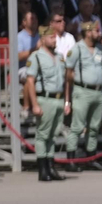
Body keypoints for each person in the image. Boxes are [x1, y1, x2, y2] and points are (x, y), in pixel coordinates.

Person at [63, 21, 102, 170]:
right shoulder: (77, 48)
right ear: (88, 32)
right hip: (82, 90)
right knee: (77, 127)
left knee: (94, 127)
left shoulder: (99, 48)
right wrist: (68, 99)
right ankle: (70, 160)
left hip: (98, 91)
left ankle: (91, 158)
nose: (99, 33)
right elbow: (68, 72)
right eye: (96, 31)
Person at [24, 24, 68, 182]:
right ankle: (43, 170)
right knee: (43, 135)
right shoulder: (36, 57)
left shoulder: (59, 57)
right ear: (42, 39)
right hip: (45, 98)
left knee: (53, 135)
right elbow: (30, 81)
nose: (54, 40)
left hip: (58, 98)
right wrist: (34, 104)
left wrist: (66, 101)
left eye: (55, 37)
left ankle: (51, 167)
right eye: (51, 37)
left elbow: (65, 81)